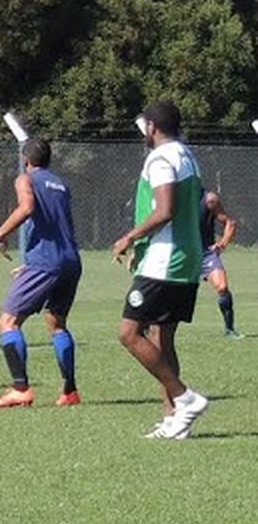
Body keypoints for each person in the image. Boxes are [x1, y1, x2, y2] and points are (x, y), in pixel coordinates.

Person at [111, 101, 211, 438]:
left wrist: (131, 237)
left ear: (152, 126)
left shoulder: (161, 158)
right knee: (161, 336)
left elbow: (164, 210)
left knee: (129, 333)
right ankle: (174, 419)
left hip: (166, 260)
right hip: (186, 257)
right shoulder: (187, 155)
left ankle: (186, 399)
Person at [0, 138, 82, 409]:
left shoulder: (25, 179)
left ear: (26, 159)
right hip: (71, 260)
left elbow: (27, 208)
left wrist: (2, 232)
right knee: (57, 324)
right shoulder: (61, 184)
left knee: (8, 322)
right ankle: (70, 391)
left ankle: (20, 388)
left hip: (46, 261)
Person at [200, 189, 242, 338]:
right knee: (166, 288)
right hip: (183, 253)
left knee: (222, 287)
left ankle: (229, 329)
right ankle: (147, 325)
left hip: (206, 253)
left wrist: (222, 244)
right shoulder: (174, 197)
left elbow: (229, 223)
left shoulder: (209, 199)